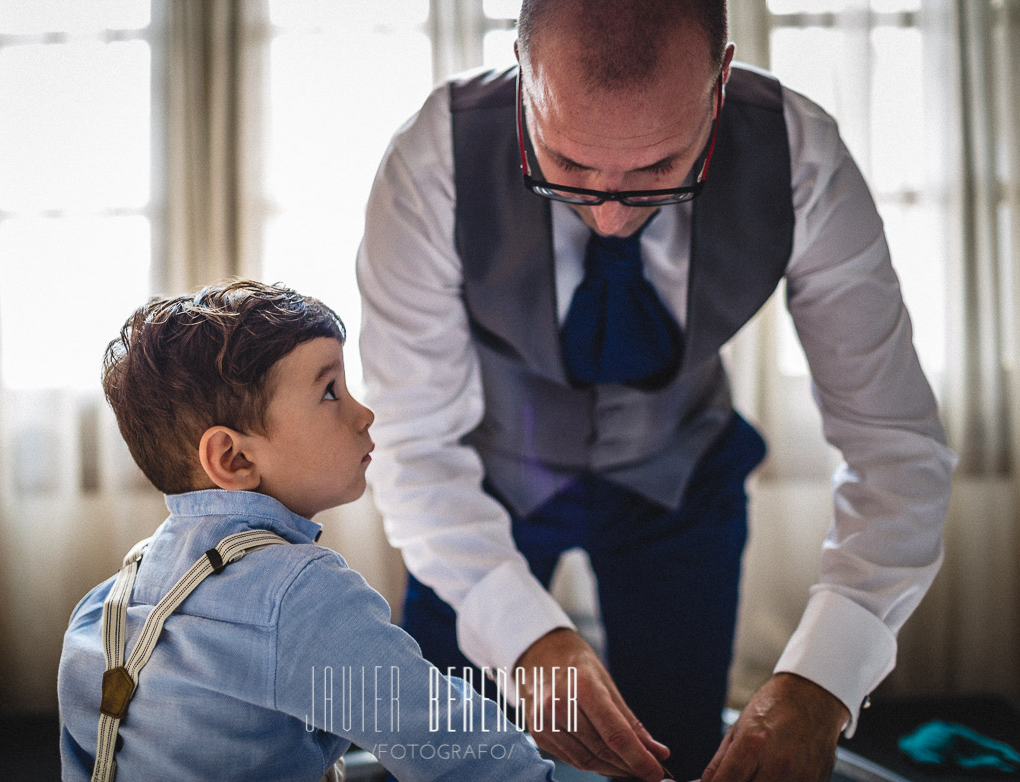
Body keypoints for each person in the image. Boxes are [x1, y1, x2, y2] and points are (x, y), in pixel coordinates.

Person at [356, 1, 956, 780]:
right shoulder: (431, 157)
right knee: (446, 756)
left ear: (720, 83)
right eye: (566, 167)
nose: (608, 217)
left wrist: (822, 681)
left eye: (655, 172)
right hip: (475, 492)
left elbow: (896, 447)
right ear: (522, 77)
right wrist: (524, 635)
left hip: (680, 484)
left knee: (673, 750)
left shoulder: (799, 155)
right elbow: (413, 440)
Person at [57, 279, 558, 781]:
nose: (364, 415)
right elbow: (458, 747)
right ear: (234, 458)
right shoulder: (297, 594)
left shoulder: (103, 606)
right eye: (330, 392)